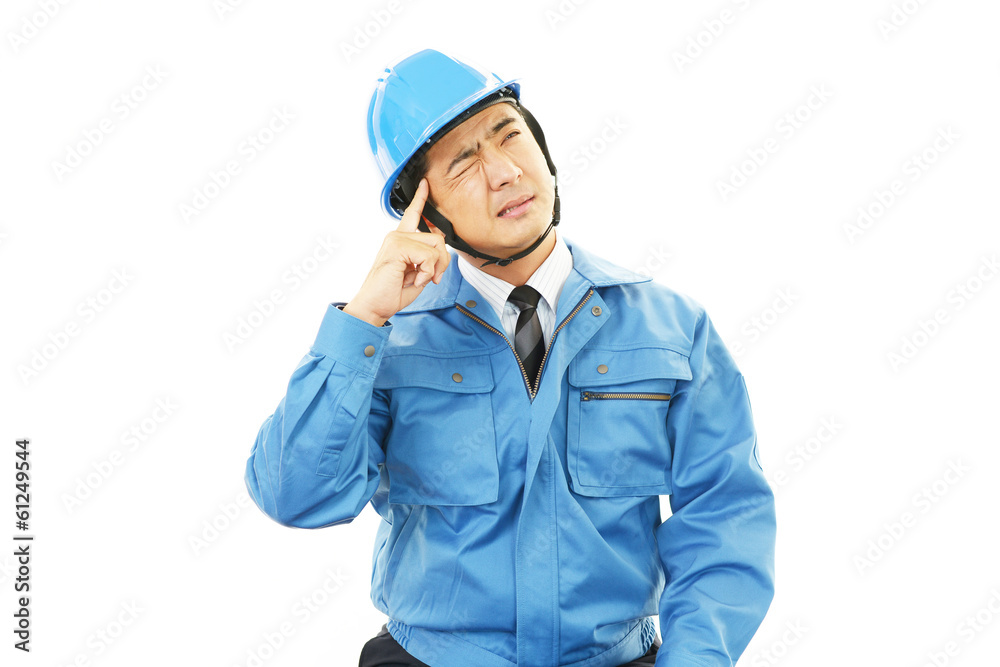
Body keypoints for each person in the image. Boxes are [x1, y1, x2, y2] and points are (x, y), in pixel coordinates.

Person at [244, 48, 776, 667]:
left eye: (509, 136)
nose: (504, 172)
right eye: (464, 164)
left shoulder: (672, 328)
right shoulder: (386, 343)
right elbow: (295, 496)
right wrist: (363, 318)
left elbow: (725, 517)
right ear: (425, 212)